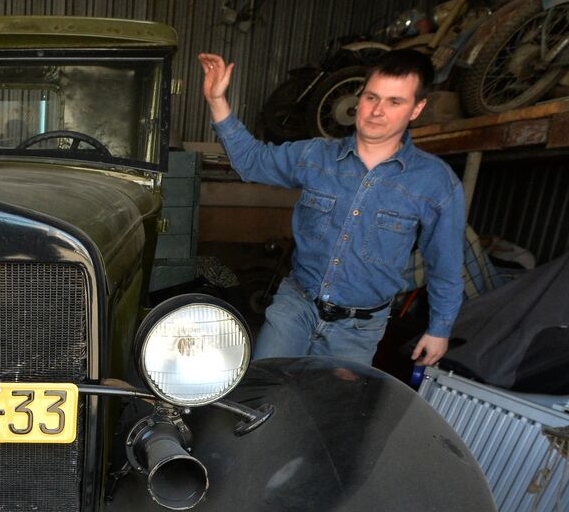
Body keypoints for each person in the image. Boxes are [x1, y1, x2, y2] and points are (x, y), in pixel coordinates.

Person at [197, 49, 465, 368]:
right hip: (295, 308)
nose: (377, 111)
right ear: (359, 98)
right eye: (371, 97)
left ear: (417, 108)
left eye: (395, 102)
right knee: (263, 394)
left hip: (358, 331)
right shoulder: (316, 155)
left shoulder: (435, 182)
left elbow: (445, 263)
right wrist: (217, 100)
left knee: (329, 413)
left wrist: (439, 329)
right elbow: (252, 161)